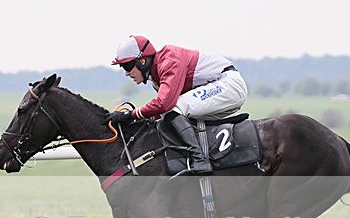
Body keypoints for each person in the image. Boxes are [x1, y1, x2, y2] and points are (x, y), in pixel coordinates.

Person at [104, 35, 248, 174]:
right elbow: (160, 113)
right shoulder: (156, 78)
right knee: (171, 115)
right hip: (220, 89)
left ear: (142, 61)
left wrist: (130, 114)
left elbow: (164, 104)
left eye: (127, 66)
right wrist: (134, 120)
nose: (126, 73)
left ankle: (199, 159)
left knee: (174, 108)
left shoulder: (169, 60)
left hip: (229, 85)